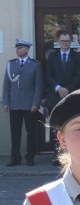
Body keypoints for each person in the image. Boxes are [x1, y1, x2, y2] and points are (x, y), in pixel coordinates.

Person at [3, 38, 45, 166]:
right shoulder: (11, 64)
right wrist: (6, 102)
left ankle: (30, 157)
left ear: (26, 49)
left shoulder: (35, 65)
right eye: (17, 48)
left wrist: (35, 103)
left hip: (29, 104)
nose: (17, 50)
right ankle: (15, 157)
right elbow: (6, 85)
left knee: (31, 132)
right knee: (15, 132)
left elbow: (39, 86)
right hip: (14, 104)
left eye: (20, 48)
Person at [45, 31, 80, 111]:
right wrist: (58, 88)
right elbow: (48, 75)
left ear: (71, 42)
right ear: (58, 42)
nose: (65, 43)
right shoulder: (52, 57)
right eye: (62, 41)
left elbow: (79, 75)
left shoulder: (78, 56)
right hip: (55, 97)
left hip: (73, 95)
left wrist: (68, 89)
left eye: (67, 41)